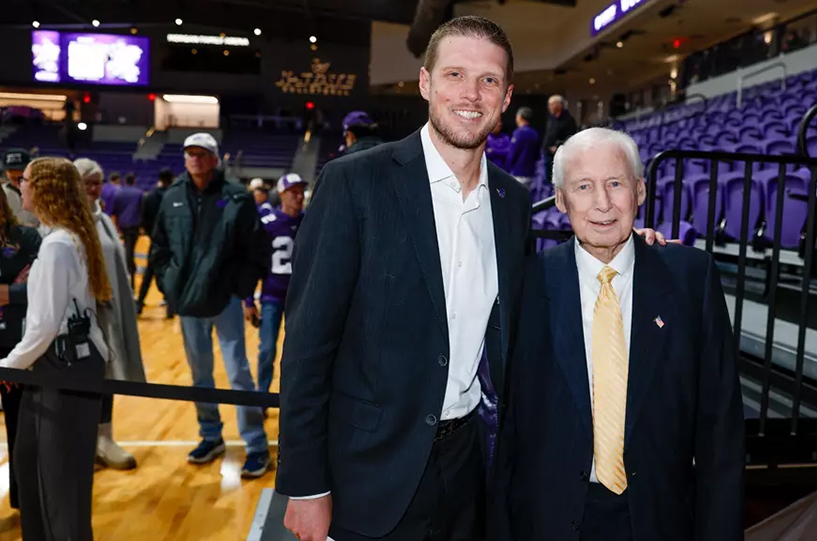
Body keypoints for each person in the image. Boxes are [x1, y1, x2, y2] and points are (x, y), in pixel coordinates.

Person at [277, 16, 531, 541]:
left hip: (469, 471)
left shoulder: (512, 202)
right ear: (425, 83)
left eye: (489, 80)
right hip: (368, 475)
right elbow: (307, 345)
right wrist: (304, 485)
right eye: (455, 75)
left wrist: (630, 249)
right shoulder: (354, 182)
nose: (471, 94)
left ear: (506, 97)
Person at [491, 128, 745, 541]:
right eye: (584, 187)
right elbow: (506, 425)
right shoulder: (525, 284)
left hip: (660, 518)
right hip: (546, 520)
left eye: (615, 184)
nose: (603, 204)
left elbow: (720, 430)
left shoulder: (689, 278)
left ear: (640, 191)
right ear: (560, 200)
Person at [0, 156, 112, 541]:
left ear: (42, 188)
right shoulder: (62, 238)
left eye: (25, 180)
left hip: (63, 368)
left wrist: (8, 365)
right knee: (35, 476)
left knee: (60, 487)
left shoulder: (57, 246)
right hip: (59, 366)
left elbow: (44, 326)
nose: (20, 186)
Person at [149, 132, 271, 478]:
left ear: (215, 159)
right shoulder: (171, 197)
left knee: (238, 374)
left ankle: (256, 444)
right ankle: (211, 435)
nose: (195, 159)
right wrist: (170, 287)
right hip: (188, 303)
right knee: (199, 375)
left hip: (225, 300)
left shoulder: (236, 197)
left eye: (202, 154)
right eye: (190, 153)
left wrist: (240, 289)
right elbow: (159, 248)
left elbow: (256, 250)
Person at [75, 158, 147, 470]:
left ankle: (104, 439)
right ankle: (81, 442)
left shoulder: (102, 218)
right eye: (87, 182)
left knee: (106, 376)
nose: (93, 188)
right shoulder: (66, 221)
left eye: (97, 182)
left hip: (107, 312)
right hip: (81, 316)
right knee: (85, 379)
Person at [245, 173, 306, 399]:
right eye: (293, 192)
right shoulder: (267, 225)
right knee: (267, 349)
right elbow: (254, 263)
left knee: (298, 353)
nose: (298, 197)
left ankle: (295, 399)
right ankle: (262, 396)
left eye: (301, 192)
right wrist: (249, 299)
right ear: (281, 194)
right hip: (272, 295)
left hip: (302, 298)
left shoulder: (311, 221)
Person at [0, 188, 43, 511]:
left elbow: (40, 287)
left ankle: (25, 499)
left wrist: (11, 293)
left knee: (21, 429)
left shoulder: (27, 238)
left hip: (16, 347)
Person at [136, 168, 174, 317]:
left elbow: (144, 219)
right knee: (170, 274)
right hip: (171, 242)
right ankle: (170, 308)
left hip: (155, 240)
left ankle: (139, 304)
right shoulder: (174, 197)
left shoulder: (150, 197)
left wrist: (151, 234)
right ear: (171, 179)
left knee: (148, 274)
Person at [542, 95, 578, 184]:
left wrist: (557, 146)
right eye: (549, 105)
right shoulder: (551, 118)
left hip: (559, 155)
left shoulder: (568, 120)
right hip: (548, 154)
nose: (549, 107)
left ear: (559, 105)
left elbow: (571, 138)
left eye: (552, 105)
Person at [2, 149, 40, 227]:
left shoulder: (40, 190)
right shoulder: (2, 192)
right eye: (11, 170)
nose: (16, 174)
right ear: (5, 172)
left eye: (20, 169)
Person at [507, 107, 539, 186]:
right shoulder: (534, 133)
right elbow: (537, 154)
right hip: (531, 172)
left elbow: (512, 154)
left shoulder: (518, 133)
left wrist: (506, 168)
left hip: (518, 172)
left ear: (519, 117)